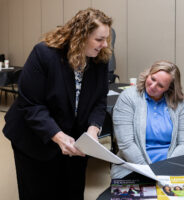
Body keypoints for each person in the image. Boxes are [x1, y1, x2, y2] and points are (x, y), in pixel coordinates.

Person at [2, 8, 112, 200]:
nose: (104, 45)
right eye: (99, 39)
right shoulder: (44, 54)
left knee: (72, 191)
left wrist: (93, 130)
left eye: (106, 39)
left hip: (74, 141)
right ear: (81, 36)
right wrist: (58, 136)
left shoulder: (99, 60)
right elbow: (31, 105)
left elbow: (99, 101)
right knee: (39, 192)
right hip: (34, 139)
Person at [111, 60, 184, 178]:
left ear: (169, 88)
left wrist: (168, 168)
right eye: (153, 79)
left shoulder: (179, 104)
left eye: (160, 85)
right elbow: (126, 144)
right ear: (148, 74)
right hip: (135, 167)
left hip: (171, 167)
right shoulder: (128, 97)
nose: (153, 86)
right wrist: (149, 172)